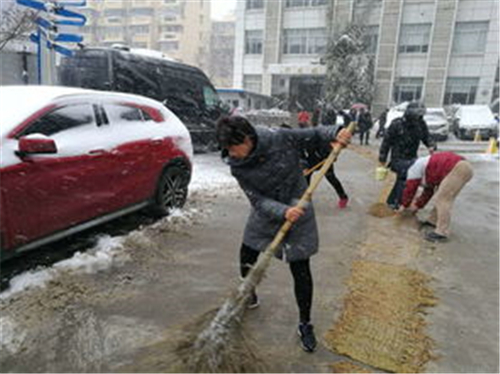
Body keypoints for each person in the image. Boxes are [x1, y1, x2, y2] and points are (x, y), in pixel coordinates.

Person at [216, 115, 351, 353]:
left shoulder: (279, 138)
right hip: (268, 212)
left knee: (300, 267)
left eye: (233, 147)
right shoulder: (238, 166)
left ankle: (305, 323)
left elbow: (317, 133)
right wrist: (282, 211)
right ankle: (248, 294)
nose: (232, 154)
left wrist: (337, 132)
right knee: (247, 253)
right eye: (227, 149)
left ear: (247, 138)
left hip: (299, 205)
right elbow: (256, 199)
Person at [398, 152, 473, 242]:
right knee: (443, 196)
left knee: (443, 199)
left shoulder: (413, 169)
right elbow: (428, 192)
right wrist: (417, 206)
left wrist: (404, 205)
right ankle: (433, 221)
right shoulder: (426, 169)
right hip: (463, 167)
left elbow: (410, 189)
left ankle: (442, 232)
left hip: (458, 167)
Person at [379, 101, 435, 209]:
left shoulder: (420, 124)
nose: (419, 118)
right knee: (404, 177)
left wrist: (431, 145)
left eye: (421, 115)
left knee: (406, 179)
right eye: (417, 115)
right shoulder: (397, 124)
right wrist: (382, 157)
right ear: (410, 114)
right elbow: (386, 141)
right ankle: (397, 203)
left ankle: (393, 201)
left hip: (412, 157)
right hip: (398, 158)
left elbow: (427, 136)